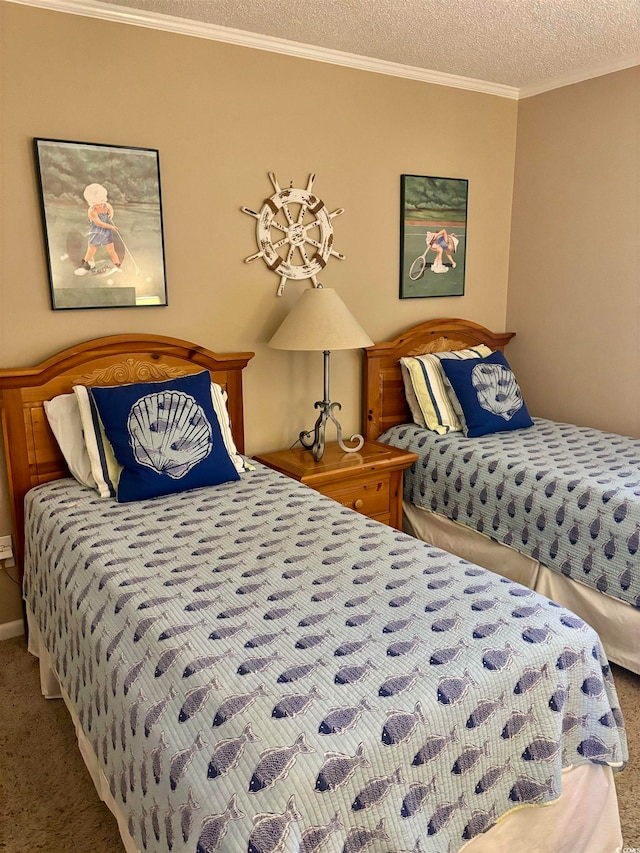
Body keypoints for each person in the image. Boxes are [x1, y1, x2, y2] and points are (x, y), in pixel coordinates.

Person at [75, 183, 121, 275]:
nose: (100, 206)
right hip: (96, 231)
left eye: (101, 203)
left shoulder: (105, 205)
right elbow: (99, 223)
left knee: (111, 249)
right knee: (91, 249)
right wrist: (111, 226)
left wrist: (111, 213)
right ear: (92, 203)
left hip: (106, 232)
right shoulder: (91, 211)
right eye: (97, 205)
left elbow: (110, 207)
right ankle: (86, 265)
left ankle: (117, 265)